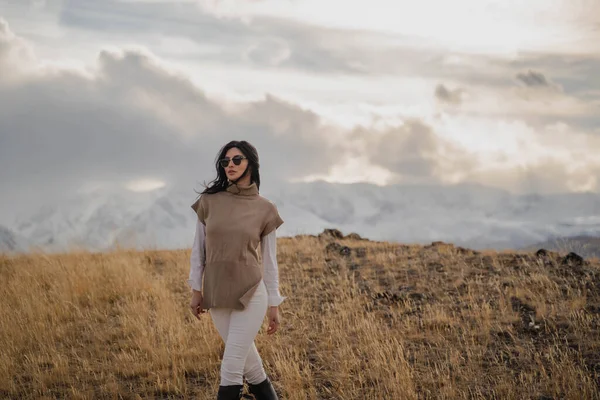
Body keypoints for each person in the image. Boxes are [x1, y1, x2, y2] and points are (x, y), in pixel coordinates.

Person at [188, 140, 285, 400]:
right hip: (217, 294)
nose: (229, 165)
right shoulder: (209, 201)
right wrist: (196, 290)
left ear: (250, 164)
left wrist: (274, 304)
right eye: (225, 161)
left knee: (231, 367)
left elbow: (269, 260)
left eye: (236, 160)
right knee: (252, 368)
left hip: (251, 294)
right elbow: (198, 250)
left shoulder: (266, 209)